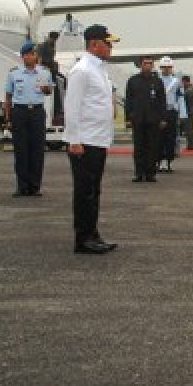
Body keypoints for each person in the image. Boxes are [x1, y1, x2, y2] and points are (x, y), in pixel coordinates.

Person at [62, 24, 118, 255]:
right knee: (84, 191)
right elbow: (71, 107)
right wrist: (74, 139)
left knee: (94, 190)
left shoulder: (99, 70)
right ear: (94, 44)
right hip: (84, 141)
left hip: (98, 139)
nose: (111, 48)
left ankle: (92, 233)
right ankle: (82, 238)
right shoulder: (82, 70)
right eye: (108, 43)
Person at [4, 40, 53, 197]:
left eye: (35, 54)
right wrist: (7, 118)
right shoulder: (14, 73)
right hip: (20, 112)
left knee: (37, 150)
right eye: (31, 54)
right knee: (21, 150)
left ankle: (35, 186)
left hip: (37, 112)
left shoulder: (44, 72)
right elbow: (8, 97)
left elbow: (49, 92)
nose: (34, 56)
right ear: (24, 56)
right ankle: (22, 186)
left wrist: (46, 89)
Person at [124, 56, 166, 183]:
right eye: (145, 63)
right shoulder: (133, 81)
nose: (147, 66)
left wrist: (163, 118)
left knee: (152, 147)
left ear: (153, 65)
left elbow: (162, 101)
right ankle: (139, 173)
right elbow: (129, 101)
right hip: (138, 119)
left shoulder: (157, 82)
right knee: (139, 147)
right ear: (140, 65)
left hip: (153, 120)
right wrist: (128, 118)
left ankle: (150, 173)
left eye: (150, 64)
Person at [157, 56, 182, 172]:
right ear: (161, 68)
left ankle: (169, 161)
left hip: (172, 112)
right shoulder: (157, 80)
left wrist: (182, 115)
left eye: (168, 67)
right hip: (159, 111)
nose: (166, 69)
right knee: (159, 138)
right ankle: (160, 161)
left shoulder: (176, 82)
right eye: (164, 67)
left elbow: (180, 98)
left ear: (172, 68)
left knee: (171, 138)